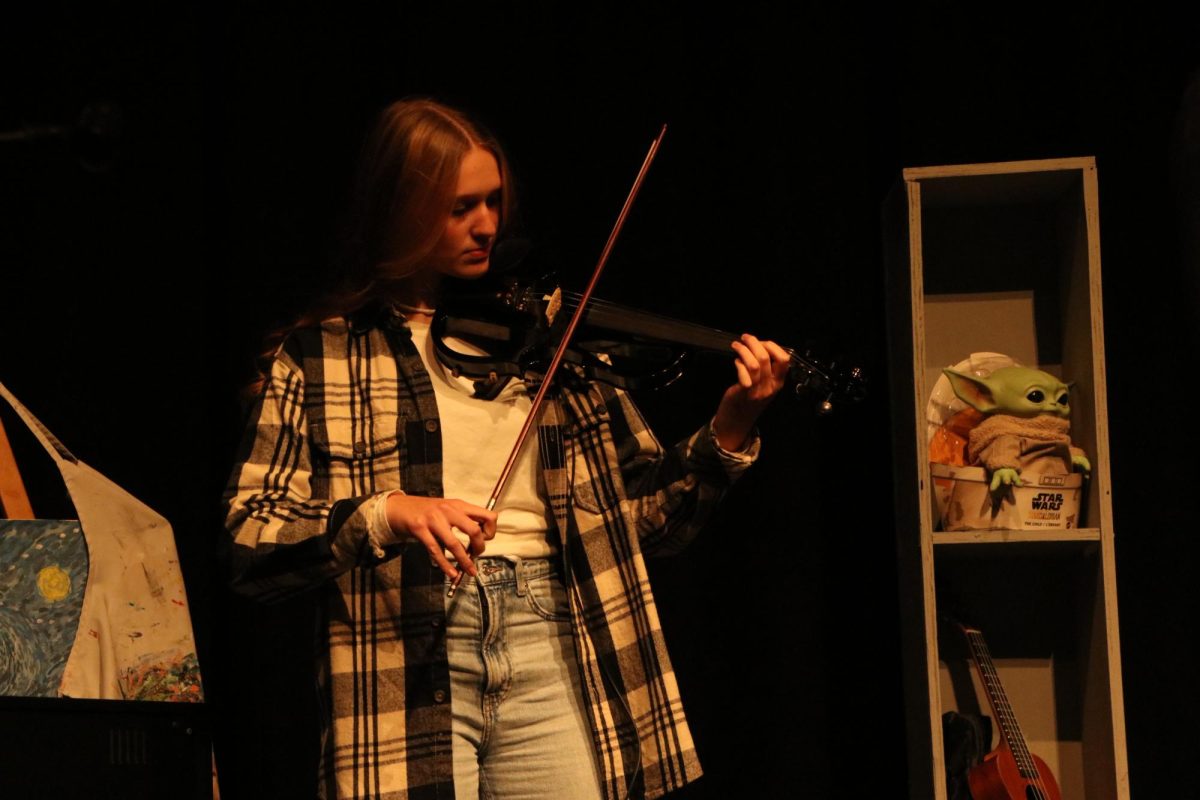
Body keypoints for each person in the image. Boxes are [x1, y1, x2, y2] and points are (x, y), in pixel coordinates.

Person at [223, 97, 790, 800]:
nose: (487, 225)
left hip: (555, 641)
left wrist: (731, 426)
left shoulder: (548, 348)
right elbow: (250, 538)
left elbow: (648, 523)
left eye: (492, 202)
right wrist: (387, 513)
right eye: (460, 207)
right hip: (406, 658)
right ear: (401, 207)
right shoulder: (321, 355)